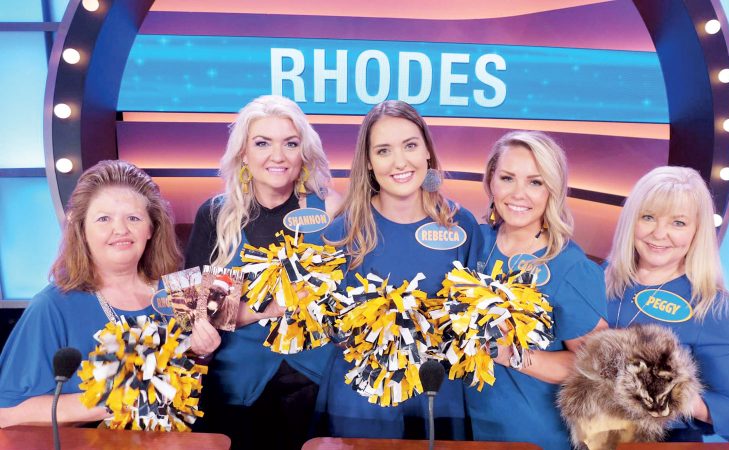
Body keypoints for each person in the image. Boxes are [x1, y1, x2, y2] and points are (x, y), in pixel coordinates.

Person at [0, 160, 220, 428]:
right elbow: (7, 413)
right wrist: (117, 399)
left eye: (134, 218)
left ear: (151, 228)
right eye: (104, 218)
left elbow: (191, 383)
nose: (121, 229)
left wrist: (202, 353)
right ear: (82, 229)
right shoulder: (52, 306)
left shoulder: (181, 290)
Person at [316, 100, 482, 440]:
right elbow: (325, 325)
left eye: (410, 145)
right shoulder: (341, 234)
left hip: (440, 396)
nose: (400, 162)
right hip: (363, 404)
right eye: (383, 151)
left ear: (427, 152)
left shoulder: (461, 225)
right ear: (368, 161)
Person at [184, 95, 343, 449]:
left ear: (304, 151)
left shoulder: (331, 209)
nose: (278, 156)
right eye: (262, 143)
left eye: (290, 143)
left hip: (317, 386)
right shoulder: (215, 215)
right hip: (236, 389)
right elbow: (197, 317)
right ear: (243, 153)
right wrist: (268, 309)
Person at [466, 131, 607, 450]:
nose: (519, 194)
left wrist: (512, 355)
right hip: (463, 427)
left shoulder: (570, 266)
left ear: (553, 190)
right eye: (507, 178)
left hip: (532, 435)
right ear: (490, 181)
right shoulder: (474, 242)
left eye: (535, 182)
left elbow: (594, 365)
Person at [605, 166, 729, 442]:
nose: (659, 233)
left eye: (678, 223)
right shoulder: (596, 280)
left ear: (697, 232)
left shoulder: (711, 306)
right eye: (648, 217)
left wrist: (668, 391)